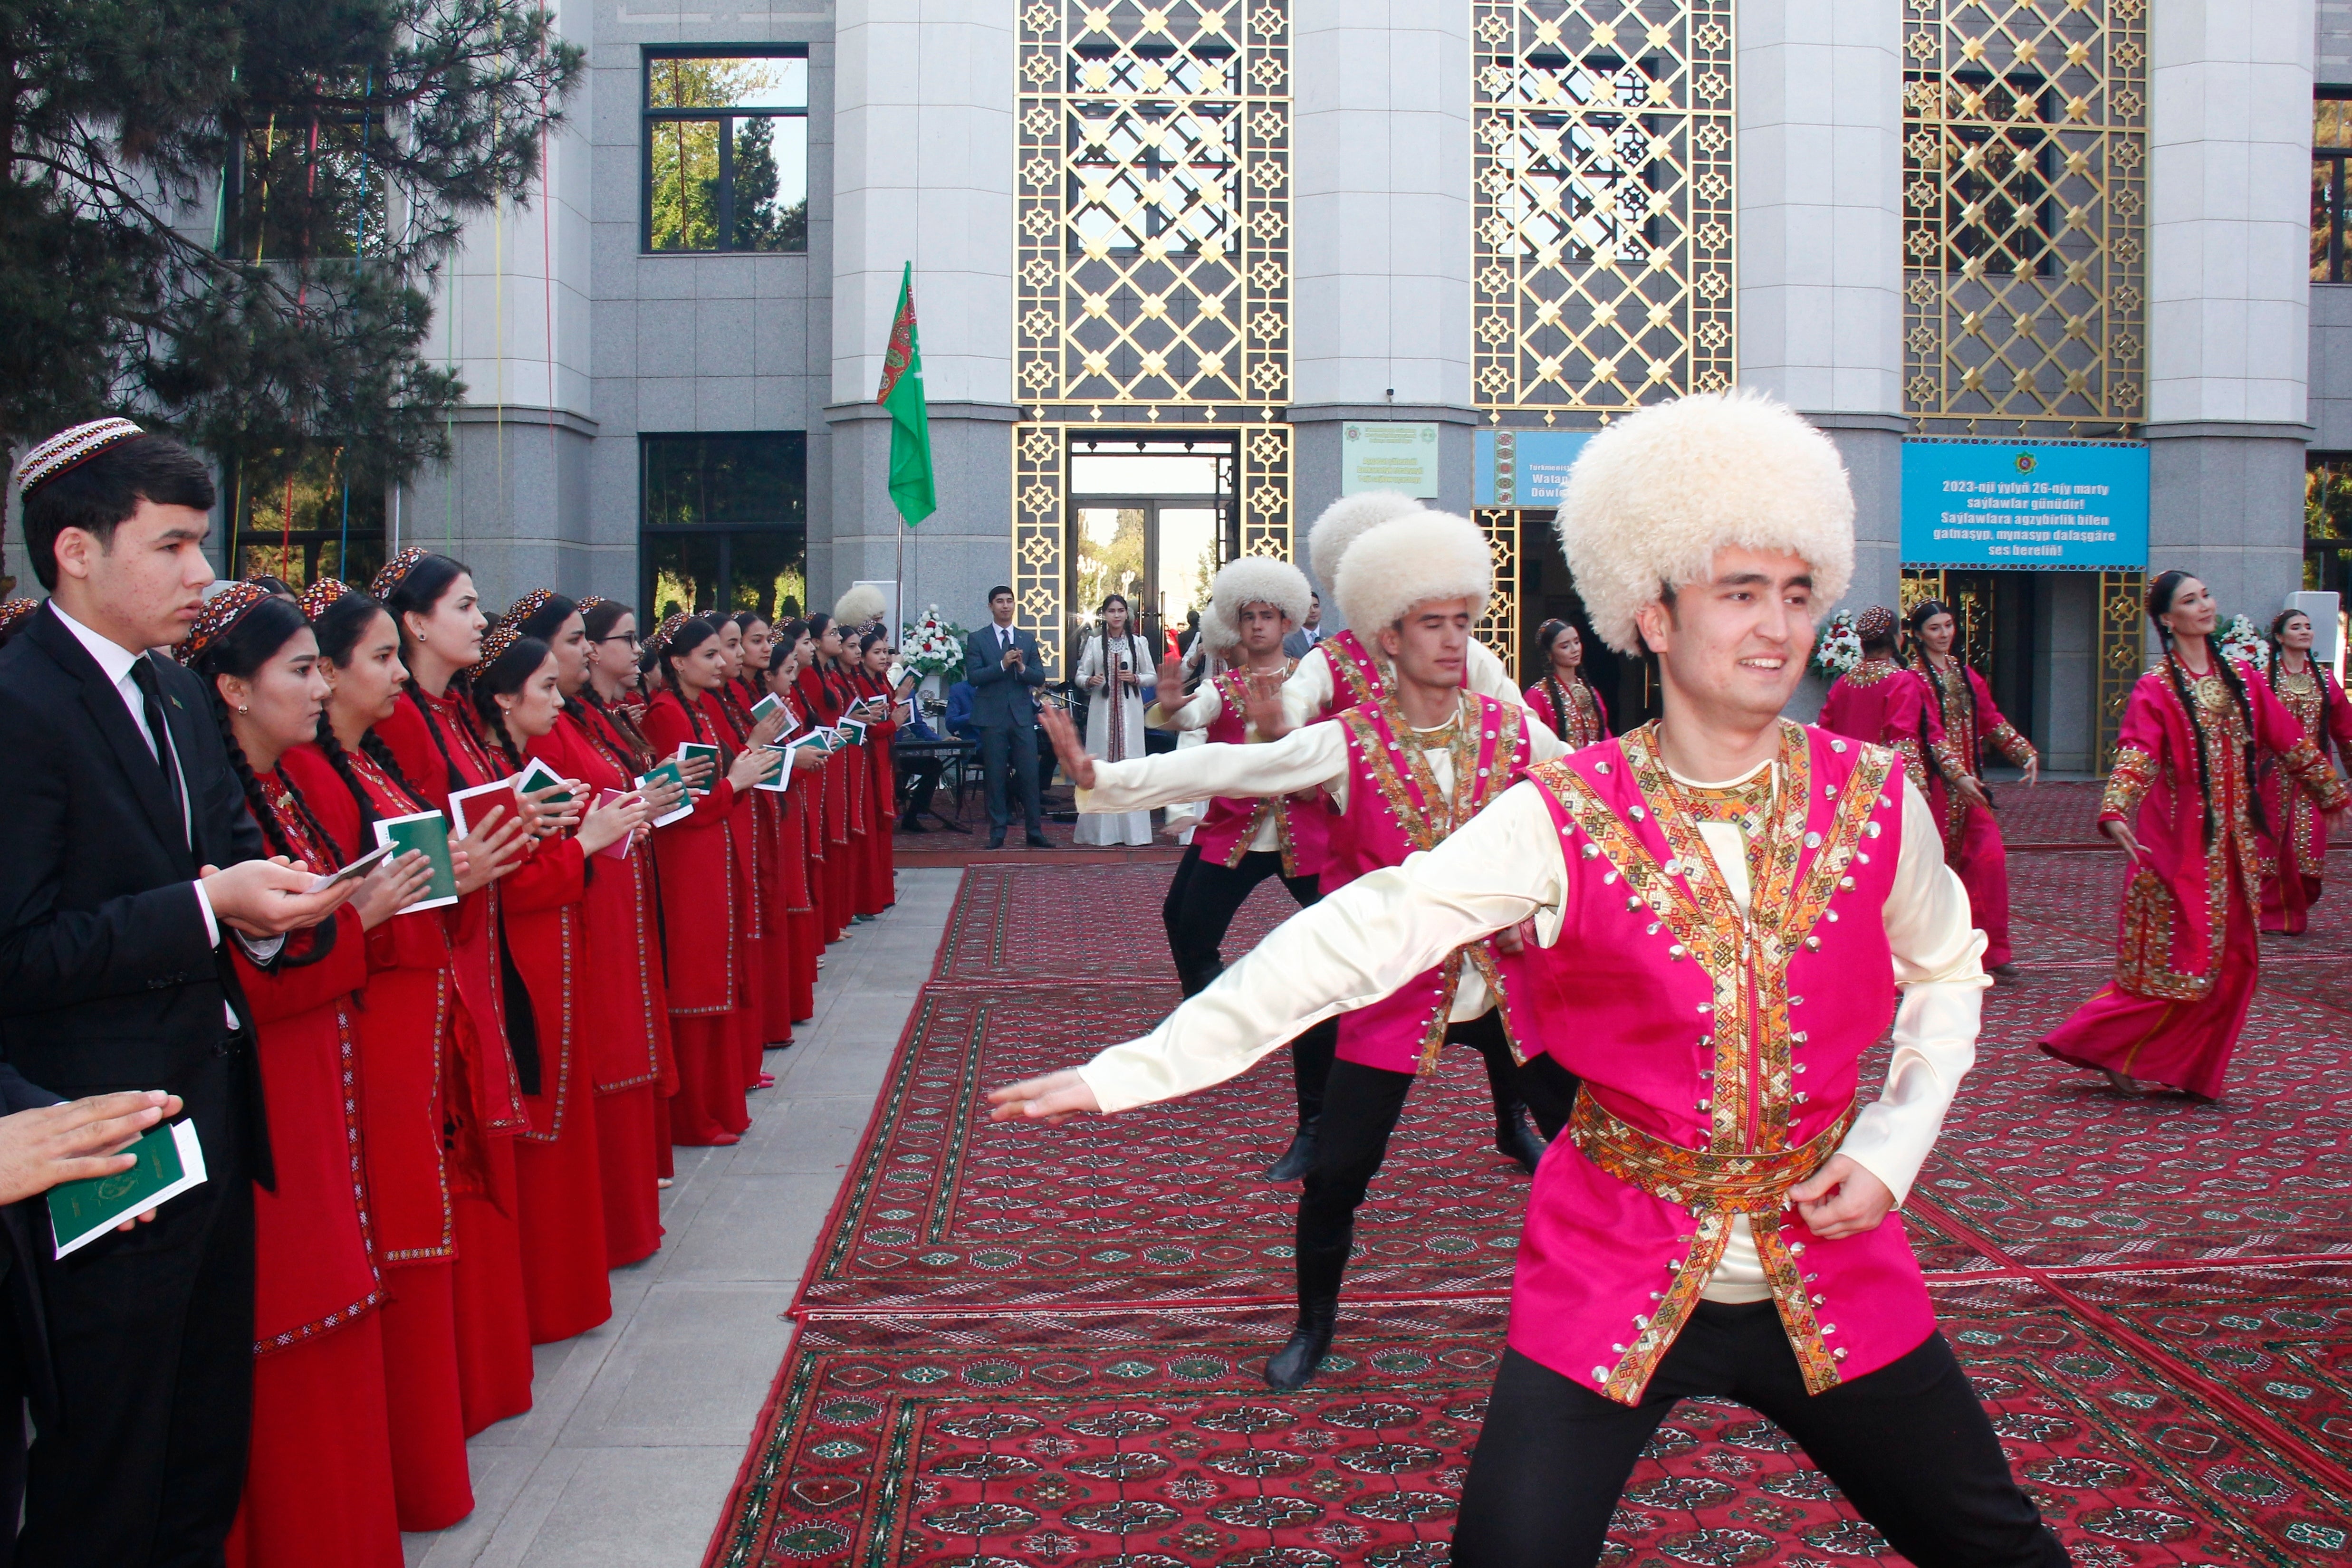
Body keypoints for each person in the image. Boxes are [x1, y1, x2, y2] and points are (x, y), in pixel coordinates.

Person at [995, 390, 2069, 1568]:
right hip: (1618, 1259)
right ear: (1651, 617)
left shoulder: (1876, 796)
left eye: (1799, 593)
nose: (1777, 628)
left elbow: (1949, 970)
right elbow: (1364, 929)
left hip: (1829, 1249)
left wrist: (1891, 1145)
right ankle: (1319, 1307)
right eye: (1740, 592)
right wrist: (1135, 1069)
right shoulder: (1565, 812)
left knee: (2002, 1548)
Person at [1037, 510, 1565, 1391]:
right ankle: (1313, 1325)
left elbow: (1588, 801)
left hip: (1505, 983)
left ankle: (1626, 1305)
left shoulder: (1512, 732)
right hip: (1391, 985)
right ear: (1387, 637)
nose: (1450, 641)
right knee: (1336, 1177)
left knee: (1604, 1141)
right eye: (1429, 624)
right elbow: (1226, 770)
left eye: (1461, 623)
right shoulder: (1348, 742)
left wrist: (1546, 903)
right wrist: (1107, 778)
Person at [0, 419, 357, 1567]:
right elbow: (18, 951)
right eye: (174, 545)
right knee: (108, 1459)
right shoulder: (21, 702)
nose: (203, 575)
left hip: (210, 1111)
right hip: (96, 1145)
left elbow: (230, 860)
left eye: (201, 544)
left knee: (204, 1446)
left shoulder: (170, 689)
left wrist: (271, 921)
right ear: (76, 550)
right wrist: (211, 911)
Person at [181, 583, 426, 1568]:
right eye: (301, 669)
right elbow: (236, 978)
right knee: (287, 1315)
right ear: (233, 690)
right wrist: (354, 924)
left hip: (323, 1077)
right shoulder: (215, 803)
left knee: (336, 1293)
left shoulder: (284, 783)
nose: (319, 687)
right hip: (268, 1091)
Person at [300, 579, 483, 1529]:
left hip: (408, 1012)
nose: (391, 679)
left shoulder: (362, 761)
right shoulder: (327, 772)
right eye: (373, 660)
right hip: (364, 1032)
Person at [2040, 572, 2348, 1100]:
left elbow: (2287, 736)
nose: (2204, 605)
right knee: (2182, 961)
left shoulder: (2243, 679)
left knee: (2238, 958)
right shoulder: (2155, 687)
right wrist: (2116, 808)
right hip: (2176, 843)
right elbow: (2137, 752)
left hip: (2234, 845)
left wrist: (2328, 790)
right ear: (2166, 619)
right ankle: (2099, 1042)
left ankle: (2189, 1068)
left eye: (2206, 594)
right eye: (2190, 600)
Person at [371, 549, 543, 1434]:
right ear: (414, 622)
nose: (481, 621)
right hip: (444, 956)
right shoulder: (403, 721)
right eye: (465, 606)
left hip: (474, 945)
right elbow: (411, 848)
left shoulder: (447, 713)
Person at [1142, 558, 1336, 1180]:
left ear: (1286, 620)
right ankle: (1216, 1025)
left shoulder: (1315, 683)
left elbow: (1341, 749)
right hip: (1237, 833)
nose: (1257, 626)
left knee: (1331, 957)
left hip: (1307, 835)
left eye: (1267, 616)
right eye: (1248, 616)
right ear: (1238, 623)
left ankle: (1315, 1124)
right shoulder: (1223, 689)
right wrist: (1170, 706)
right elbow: (1190, 716)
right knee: (1184, 923)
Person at [641, 616, 782, 1145]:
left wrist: (738, 777)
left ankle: (716, 1104)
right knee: (696, 982)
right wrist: (736, 779)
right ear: (677, 663)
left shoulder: (697, 708)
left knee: (718, 974)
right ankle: (693, 1114)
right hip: (687, 861)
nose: (723, 663)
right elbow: (681, 805)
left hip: (715, 850)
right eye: (708, 655)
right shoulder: (667, 714)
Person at [1271, 493, 1557, 740]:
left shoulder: (1464, 650)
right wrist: (1286, 734)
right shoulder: (1332, 657)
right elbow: (1294, 701)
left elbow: (1520, 720)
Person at [1906, 599, 2038, 977]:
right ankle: (1931, 954)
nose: (1944, 634)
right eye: (1935, 628)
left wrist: (2023, 752)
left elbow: (1990, 720)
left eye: (1948, 625)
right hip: (1935, 787)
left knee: (1988, 861)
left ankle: (1992, 951)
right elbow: (1931, 737)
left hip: (1970, 789)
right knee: (1934, 871)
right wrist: (1956, 776)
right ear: (1917, 634)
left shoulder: (1965, 675)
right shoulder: (1912, 680)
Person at [2255, 606, 2352, 933]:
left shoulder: (2324, 680)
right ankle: (2274, 916)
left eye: (2308, 627)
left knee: (2308, 847)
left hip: (2313, 779)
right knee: (2269, 844)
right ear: (2280, 637)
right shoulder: (2264, 679)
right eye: (2296, 627)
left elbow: (2344, 727)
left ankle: (2294, 910)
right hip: (2271, 776)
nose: (2304, 632)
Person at [963, 586, 1050, 850]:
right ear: (990, 606)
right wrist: (1002, 665)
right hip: (992, 716)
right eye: (999, 602)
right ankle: (997, 831)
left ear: (1015, 605)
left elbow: (1040, 677)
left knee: (1029, 774)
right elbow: (974, 677)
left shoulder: (1026, 638)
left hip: (1022, 715)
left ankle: (1034, 831)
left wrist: (1022, 668)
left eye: (1009, 601)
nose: (1005, 606)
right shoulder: (978, 639)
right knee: (996, 775)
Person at [1816, 606, 1934, 792]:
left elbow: (1825, 732)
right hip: (1881, 782)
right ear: (1897, 638)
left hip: (1843, 778)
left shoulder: (1844, 682)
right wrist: (1917, 786)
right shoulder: (1900, 681)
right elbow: (1902, 738)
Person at [1074, 593, 1157, 846]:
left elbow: (1152, 675)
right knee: (1101, 766)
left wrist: (1136, 678)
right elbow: (1079, 675)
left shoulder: (1139, 643)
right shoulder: (1094, 644)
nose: (1117, 615)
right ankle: (1100, 833)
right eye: (1112, 611)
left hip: (1130, 712)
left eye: (1121, 611)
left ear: (1127, 615)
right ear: (1105, 615)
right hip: (1102, 712)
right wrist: (1090, 681)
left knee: (1131, 765)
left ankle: (1134, 833)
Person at [1525, 617, 1611, 747]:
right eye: (1565, 646)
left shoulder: (1591, 692)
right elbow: (1536, 744)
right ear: (1550, 654)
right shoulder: (1537, 696)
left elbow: (1604, 735)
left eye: (1577, 642)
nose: (1575, 649)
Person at [1282, 589, 1324, 657]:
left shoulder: (1333, 638)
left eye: (1316, 606)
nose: (1313, 611)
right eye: (1308, 608)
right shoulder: (1289, 643)